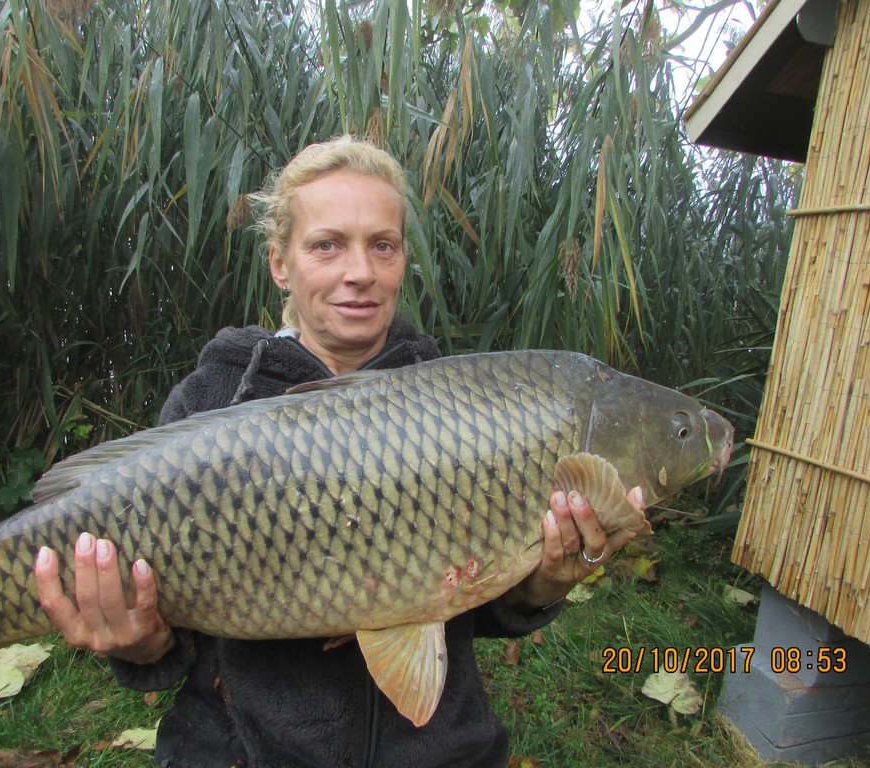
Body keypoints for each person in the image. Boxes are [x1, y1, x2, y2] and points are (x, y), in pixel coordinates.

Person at [34, 136, 644, 768]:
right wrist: (137, 644)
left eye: (383, 245)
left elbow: (476, 601)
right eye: (327, 245)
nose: (361, 272)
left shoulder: (463, 407)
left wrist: (543, 583)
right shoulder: (210, 402)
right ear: (280, 263)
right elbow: (171, 646)